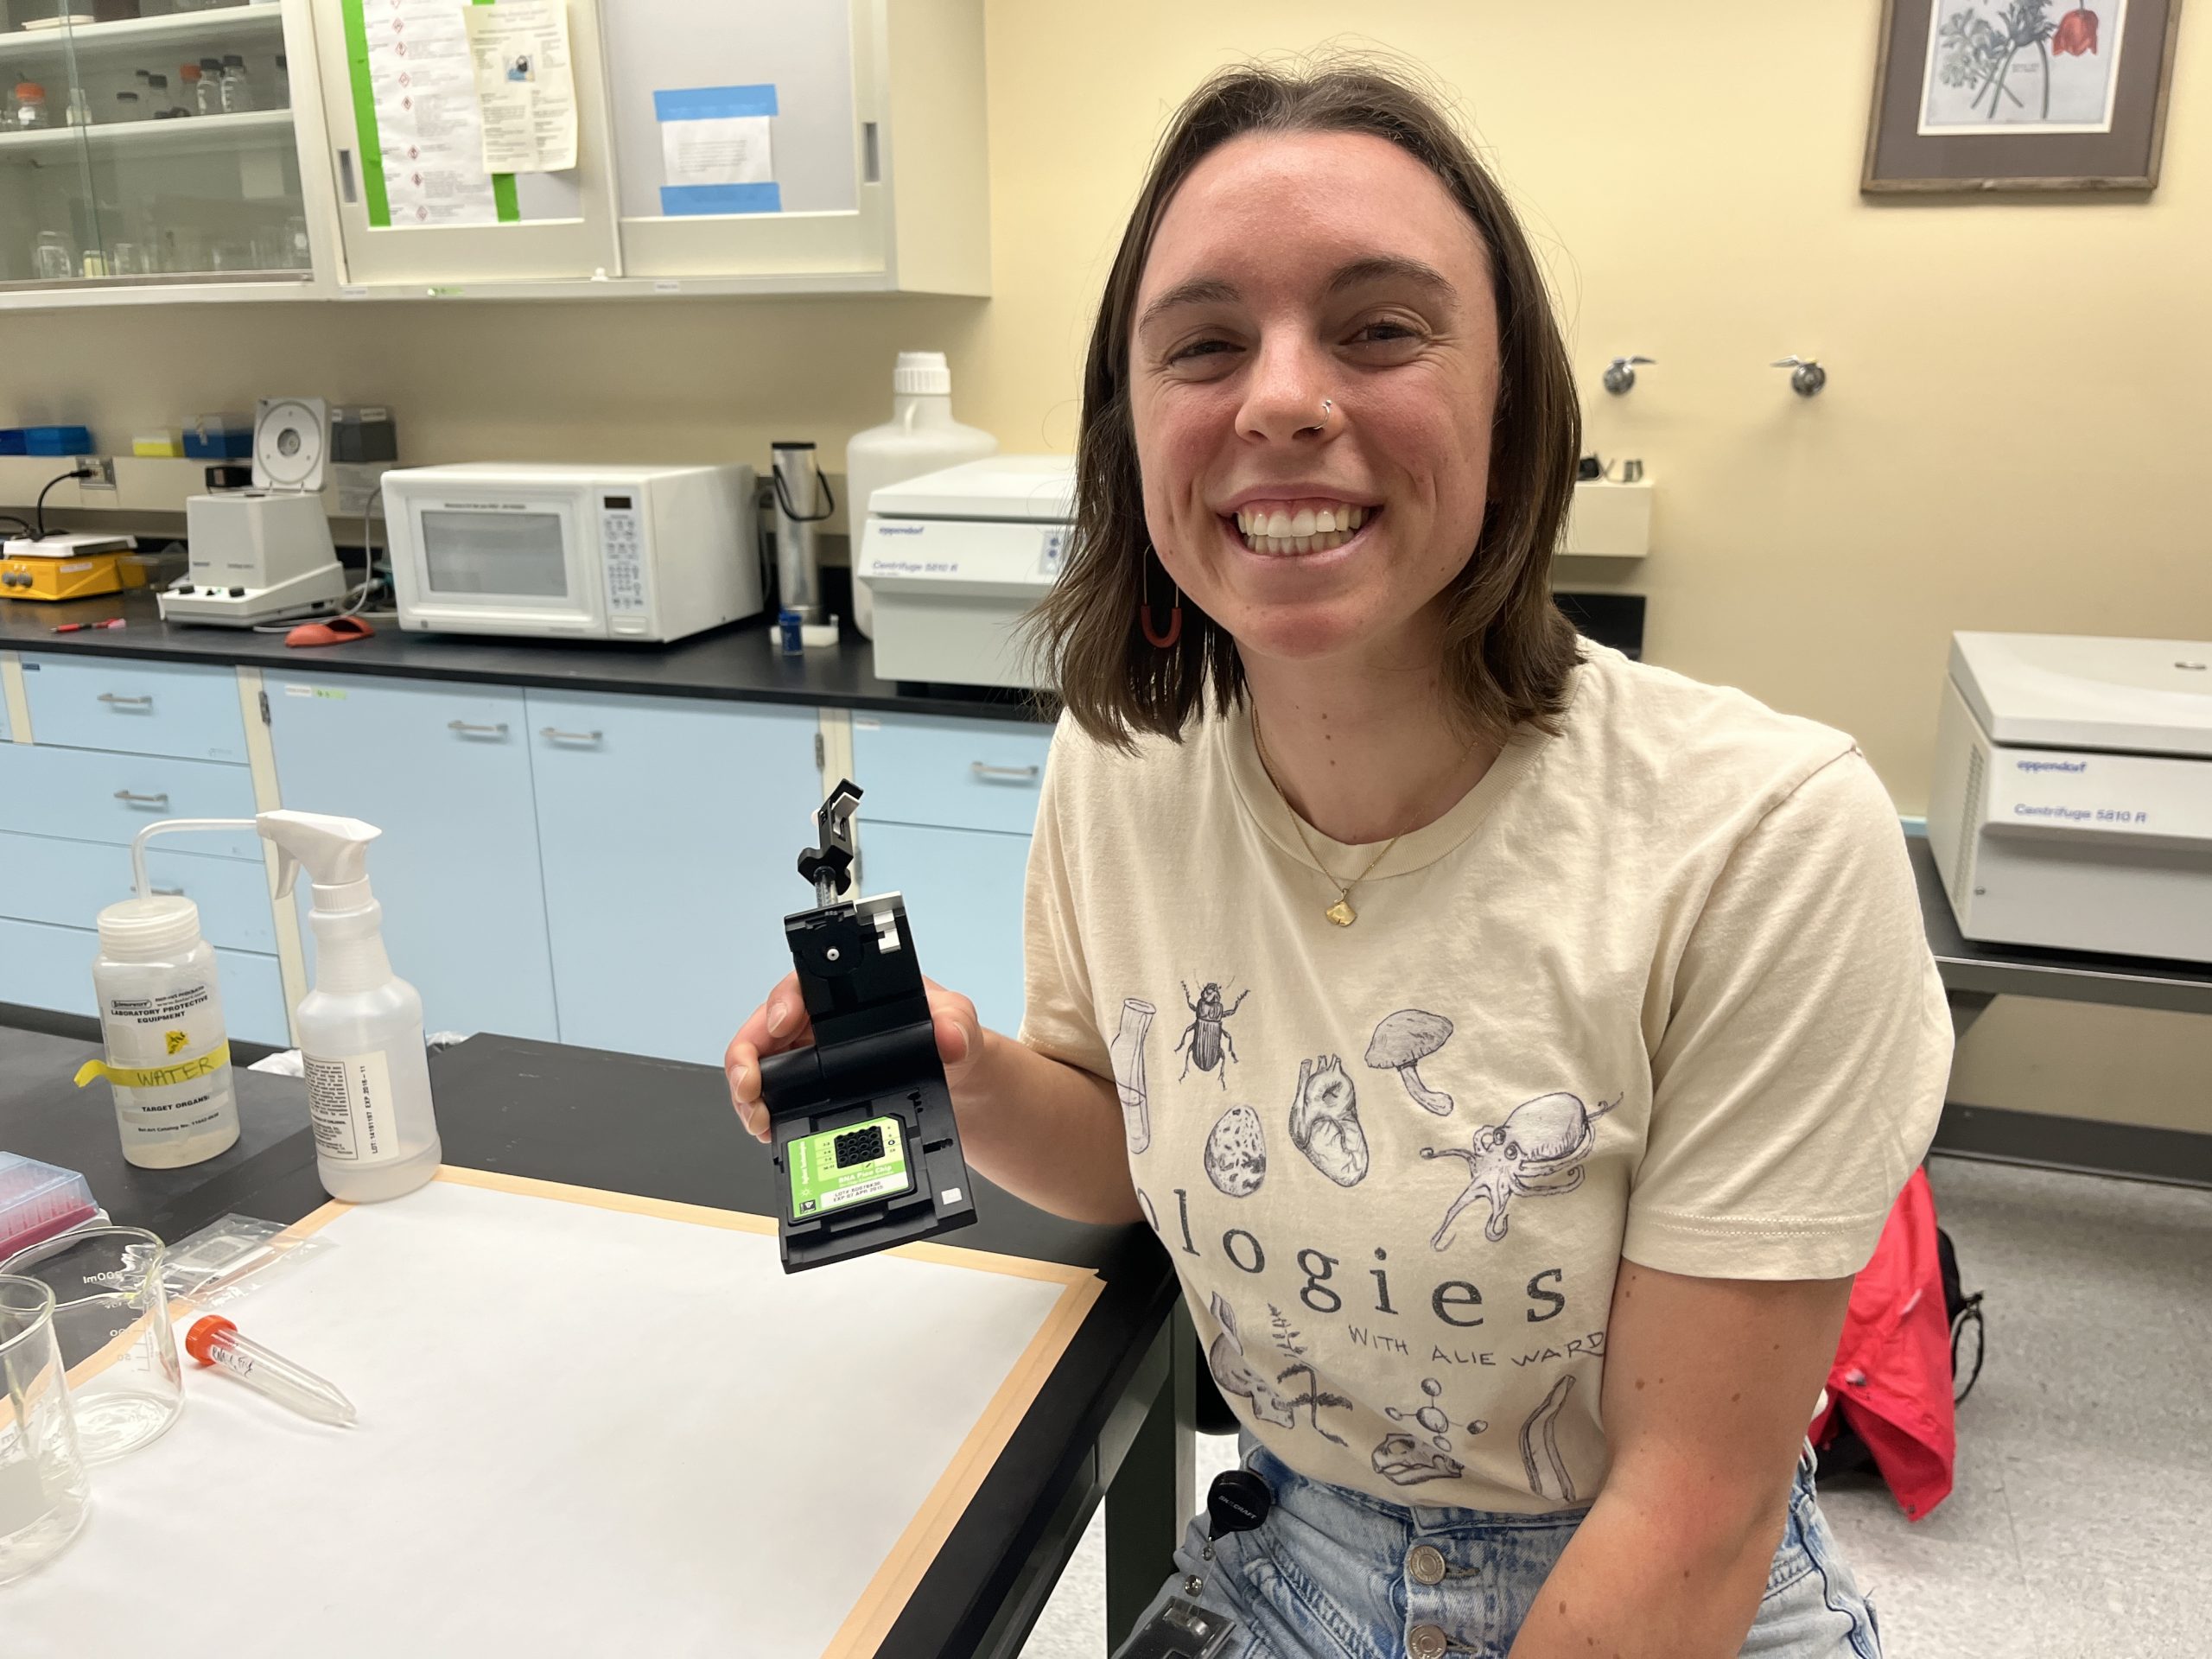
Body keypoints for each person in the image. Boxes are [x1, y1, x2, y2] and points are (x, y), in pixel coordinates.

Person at [728, 58, 1949, 1659]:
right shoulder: (1122, 769)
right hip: (1296, 1553)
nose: (1282, 399)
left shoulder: (1766, 839)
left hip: (1659, 1589)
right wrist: (951, 1072)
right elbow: (1124, 1157)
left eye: (1381, 328)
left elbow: (1693, 1508)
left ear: (1513, 407)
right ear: (1133, 430)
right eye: (1206, 344)